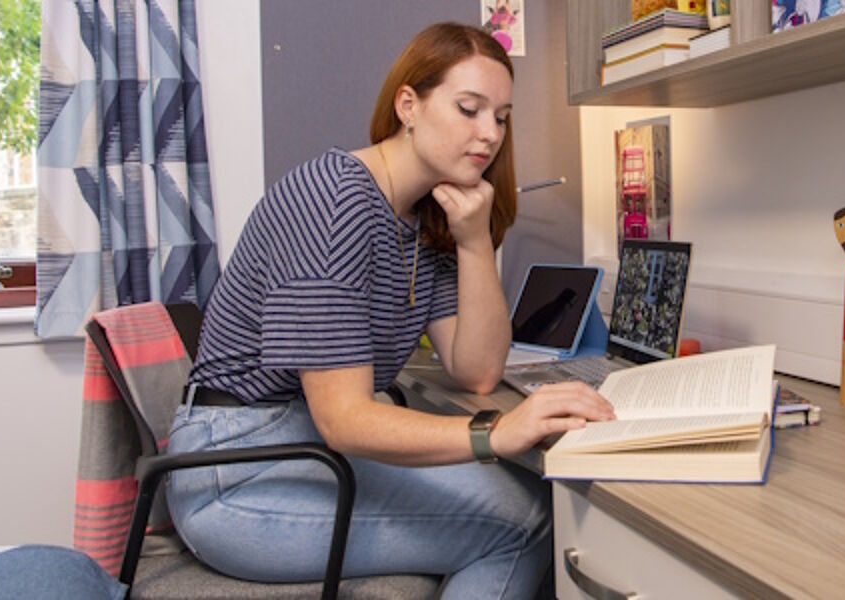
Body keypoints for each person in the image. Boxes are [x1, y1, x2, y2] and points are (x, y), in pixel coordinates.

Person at [164, 23, 614, 599]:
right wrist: (496, 432)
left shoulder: (425, 217)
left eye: (500, 116)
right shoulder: (334, 199)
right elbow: (344, 419)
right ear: (409, 105)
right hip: (238, 474)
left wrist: (476, 242)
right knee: (522, 523)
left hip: (304, 451)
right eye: (469, 108)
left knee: (529, 500)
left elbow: (475, 369)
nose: (489, 134)